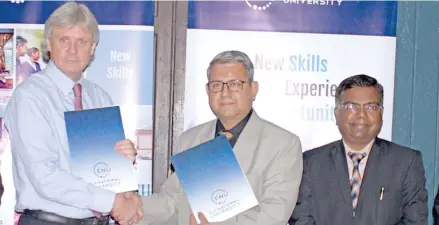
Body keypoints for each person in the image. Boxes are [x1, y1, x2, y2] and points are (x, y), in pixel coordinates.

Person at [4, 2, 143, 225]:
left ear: (93, 48)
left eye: (81, 41)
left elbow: (106, 172)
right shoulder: (30, 97)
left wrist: (123, 163)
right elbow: (45, 177)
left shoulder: (100, 98)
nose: (72, 50)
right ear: (49, 44)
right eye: (64, 40)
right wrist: (113, 202)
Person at [130, 50, 303, 225]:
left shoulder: (283, 144)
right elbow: (172, 203)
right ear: (207, 90)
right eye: (216, 85)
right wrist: (134, 206)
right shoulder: (189, 140)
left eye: (235, 84)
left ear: (253, 89)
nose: (225, 93)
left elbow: (273, 215)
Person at [290, 74, 428, 225]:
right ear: (337, 113)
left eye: (371, 107)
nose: (361, 114)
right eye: (352, 106)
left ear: (381, 113)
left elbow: (415, 221)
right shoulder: (310, 163)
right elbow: (301, 220)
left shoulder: (406, 162)